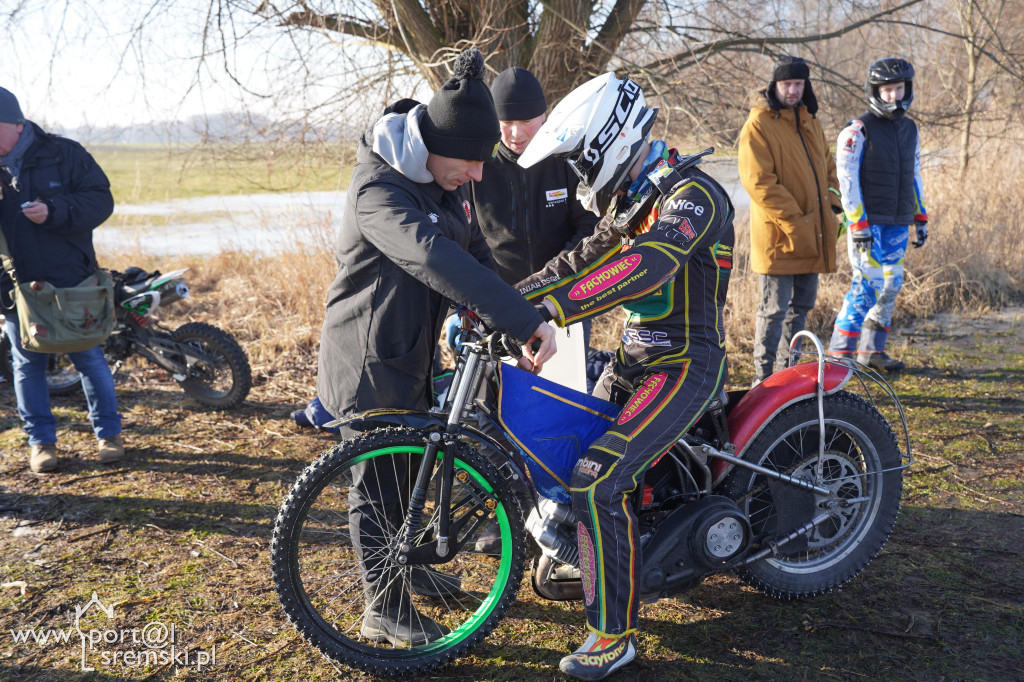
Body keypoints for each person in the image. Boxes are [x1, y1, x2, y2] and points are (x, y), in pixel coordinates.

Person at [313, 49, 556, 647]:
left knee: (406, 474)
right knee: (377, 484)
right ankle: (384, 609)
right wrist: (520, 320)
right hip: (367, 361)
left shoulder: (435, 179)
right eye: (471, 161)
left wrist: (516, 317)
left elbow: (471, 253)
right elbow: (430, 255)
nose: (477, 174)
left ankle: (406, 571)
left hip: (410, 353)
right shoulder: (380, 188)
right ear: (434, 145)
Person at [515, 73, 735, 680]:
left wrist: (554, 309)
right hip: (635, 363)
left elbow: (648, 264)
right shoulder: (634, 200)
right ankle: (593, 558)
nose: (582, 183)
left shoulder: (694, 195)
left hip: (685, 366)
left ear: (606, 141)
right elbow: (576, 260)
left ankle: (613, 637)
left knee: (595, 479)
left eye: (581, 165)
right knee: (563, 458)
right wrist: (500, 302)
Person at [0, 87, 124, 473]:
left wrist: (55, 211)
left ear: (15, 124)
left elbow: (101, 200)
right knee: (27, 366)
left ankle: (109, 435)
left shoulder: (65, 154)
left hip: (72, 281)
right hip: (14, 288)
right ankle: (41, 443)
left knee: (89, 357)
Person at [738, 56, 842, 385]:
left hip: (814, 234)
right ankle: (763, 377)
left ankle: (787, 373)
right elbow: (759, 184)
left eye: (798, 84)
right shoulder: (759, 124)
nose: (793, 90)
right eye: (786, 85)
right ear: (775, 86)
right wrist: (797, 222)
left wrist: (833, 206)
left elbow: (828, 169)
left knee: (802, 307)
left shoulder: (811, 121)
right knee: (773, 309)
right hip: (779, 237)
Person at [828, 58, 927, 371]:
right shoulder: (857, 130)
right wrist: (857, 223)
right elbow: (846, 181)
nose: (894, 96)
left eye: (898, 89)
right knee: (866, 286)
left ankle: (872, 352)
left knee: (892, 284)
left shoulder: (911, 128)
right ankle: (838, 358)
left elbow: (914, 173)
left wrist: (920, 216)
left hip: (897, 220)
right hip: (866, 224)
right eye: (887, 90)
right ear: (875, 91)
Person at [469, 66, 598, 285]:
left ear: (543, 116)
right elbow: (463, 237)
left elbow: (590, 225)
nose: (516, 134)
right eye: (507, 123)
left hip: (564, 289)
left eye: (526, 121)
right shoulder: (475, 165)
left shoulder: (567, 157)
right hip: (495, 294)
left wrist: (550, 278)